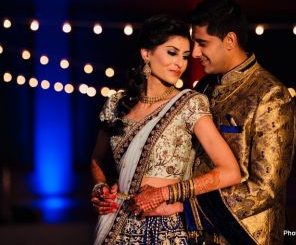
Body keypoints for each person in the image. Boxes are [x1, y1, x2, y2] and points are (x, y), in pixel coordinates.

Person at [90, 14, 241, 245]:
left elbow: (230, 171)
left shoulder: (190, 103)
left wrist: (165, 194)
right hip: (116, 225)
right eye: (172, 53)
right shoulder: (117, 104)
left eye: (185, 56)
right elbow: (97, 159)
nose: (179, 63)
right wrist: (100, 187)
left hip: (166, 229)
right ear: (146, 53)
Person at [186, 0, 296, 244]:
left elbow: (264, 189)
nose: (194, 53)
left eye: (202, 43)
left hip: (246, 237)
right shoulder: (204, 87)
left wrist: (189, 209)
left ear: (230, 40)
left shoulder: (270, 94)